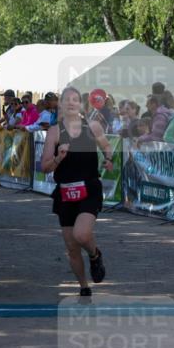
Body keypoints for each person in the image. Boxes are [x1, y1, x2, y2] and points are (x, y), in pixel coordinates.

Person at [39, 86, 115, 297]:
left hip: (89, 188)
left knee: (81, 234)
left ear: (81, 104)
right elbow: (44, 167)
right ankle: (84, 287)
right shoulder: (55, 132)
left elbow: (107, 146)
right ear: (61, 104)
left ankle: (95, 254)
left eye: (75, 99)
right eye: (67, 100)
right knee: (72, 247)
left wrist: (108, 159)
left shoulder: (93, 126)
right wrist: (58, 158)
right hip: (65, 192)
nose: (71, 103)